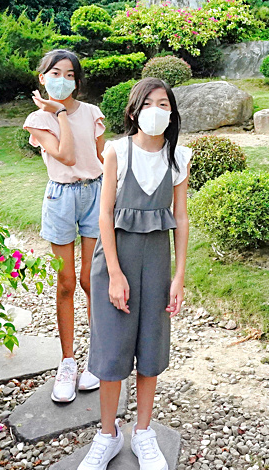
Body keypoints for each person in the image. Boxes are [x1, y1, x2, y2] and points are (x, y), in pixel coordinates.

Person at [78, 78, 190, 470]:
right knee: (111, 351)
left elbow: (181, 217)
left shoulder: (179, 158)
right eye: (148, 104)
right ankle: (107, 435)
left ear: (172, 112)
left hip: (157, 264)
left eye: (164, 104)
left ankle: (143, 433)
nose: (156, 110)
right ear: (133, 111)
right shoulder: (116, 152)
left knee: (151, 349)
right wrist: (114, 273)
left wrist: (178, 277)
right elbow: (104, 215)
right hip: (116, 261)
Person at [23, 49, 106, 403]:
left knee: (92, 279)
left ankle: (98, 359)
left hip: (95, 194)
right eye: (56, 72)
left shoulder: (91, 113)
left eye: (71, 75)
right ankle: (67, 362)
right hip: (61, 197)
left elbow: (100, 159)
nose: (64, 79)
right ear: (42, 77)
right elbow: (67, 157)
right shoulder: (37, 120)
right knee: (67, 282)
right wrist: (57, 112)